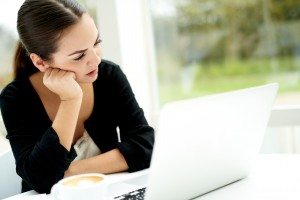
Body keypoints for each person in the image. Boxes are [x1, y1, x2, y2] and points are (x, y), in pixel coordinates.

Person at [0, 0, 154, 194]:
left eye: (96, 42)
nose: (96, 59)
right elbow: (40, 180)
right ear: (40, 62)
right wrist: (70, 101)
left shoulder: (108, 76)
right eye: (79, 56)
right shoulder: (16, 98)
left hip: (109, 193)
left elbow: (146, 145)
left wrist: (69, 172)